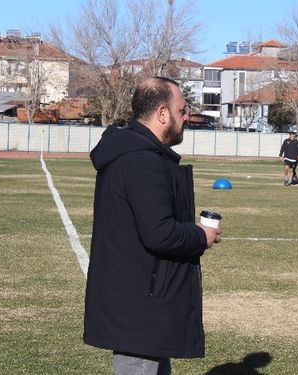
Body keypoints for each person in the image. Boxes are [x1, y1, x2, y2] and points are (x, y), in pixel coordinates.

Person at [84, 77, 223, 375]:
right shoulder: (140, 162)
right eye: (182, 110)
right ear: (163, 114)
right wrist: (201, 235)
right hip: (140, 307)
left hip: (146, 301)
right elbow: (160, 233)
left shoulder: (139, 156)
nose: (186, 117)